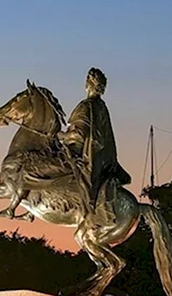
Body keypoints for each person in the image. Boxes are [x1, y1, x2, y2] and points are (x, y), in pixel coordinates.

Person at [56, 68, 131, 222]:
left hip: (87, 157)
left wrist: (61, 135)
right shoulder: (101, 106)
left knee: (54, 167)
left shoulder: (87, 106)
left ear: (87, 84)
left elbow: (79, 135)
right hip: (104, 160)